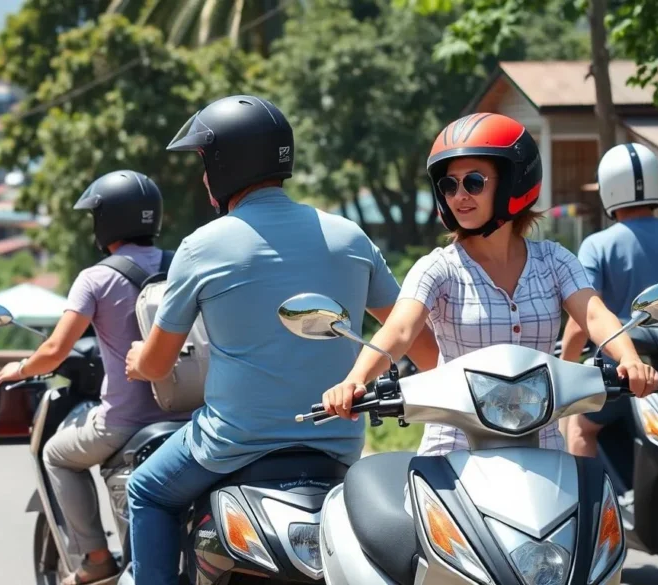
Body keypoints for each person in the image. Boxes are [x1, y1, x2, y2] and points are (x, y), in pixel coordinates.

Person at [121, 94, 440, 584]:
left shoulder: (202, 246)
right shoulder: (350, 237)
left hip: (230, 444)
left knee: (145, 491)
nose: (204, 177)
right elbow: (422, 347)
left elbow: (161, 364)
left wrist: (138, 360)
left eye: (205, 164)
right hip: (336, 447)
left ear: (225, 166)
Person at [322, 113, 658, 456]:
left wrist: (629, 359)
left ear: (514, 181)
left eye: (473, 181)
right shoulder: (439, 268)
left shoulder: (554, 262)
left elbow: (594, 315)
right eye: (448, 185)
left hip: (543, 449)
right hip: (454, 455)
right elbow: (399, 330)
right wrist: (355, 379)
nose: (459, 196)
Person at [0, 169, 181, 585]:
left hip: (125, 422)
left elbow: (55, 350)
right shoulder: (182, 266)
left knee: (56, 455)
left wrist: (20, 369)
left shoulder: (97, 278)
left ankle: (96, 558)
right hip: (188, 418)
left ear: (105, 220)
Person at [561, 142, 658, 457]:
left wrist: (564, 370)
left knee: (580, 428)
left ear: (608, 188)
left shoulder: (597, 245)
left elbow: (583, 321)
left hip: (621, 375)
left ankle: (590, 504)